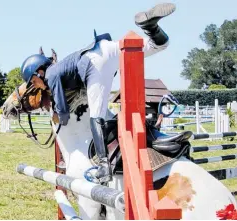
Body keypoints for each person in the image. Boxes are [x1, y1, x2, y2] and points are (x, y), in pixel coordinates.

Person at [20, 3, 176, 183]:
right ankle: (151, 27)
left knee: (97, 116)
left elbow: (63, 112)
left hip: (95, 65)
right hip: (104, 48)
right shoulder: (58, 69)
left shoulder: (51, 74)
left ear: (39, 71)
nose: (36, 84)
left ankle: (103, 165)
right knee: (155, 46)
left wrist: (57, 116)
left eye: (33, 81)